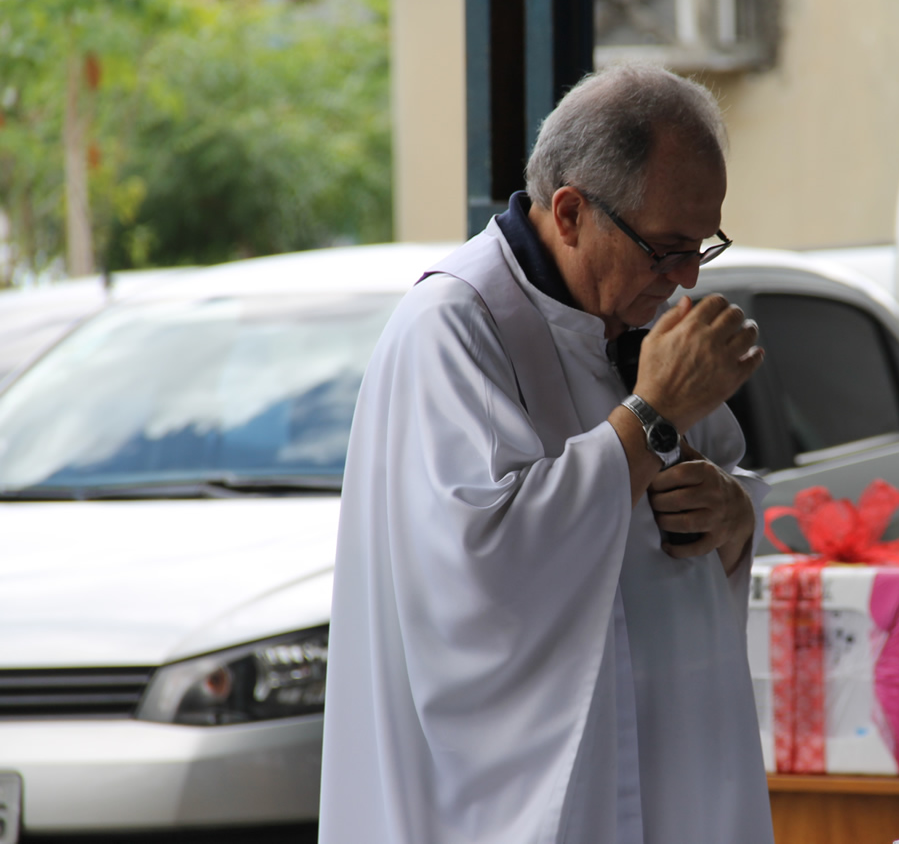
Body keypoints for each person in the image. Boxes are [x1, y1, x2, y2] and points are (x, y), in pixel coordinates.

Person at [319, 63, 774, 844]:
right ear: (569, 213)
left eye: (704, 245)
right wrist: (651, 418)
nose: (687, 277)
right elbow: (483, 568)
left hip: (668, 764)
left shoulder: (639, 315)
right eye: (666, 248)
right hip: (523, 799)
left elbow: (719, 483)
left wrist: (731, 517)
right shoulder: (455, 325)